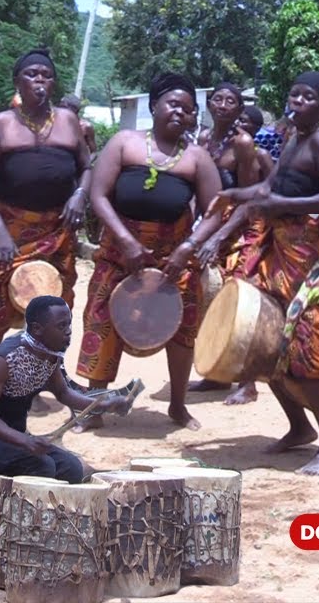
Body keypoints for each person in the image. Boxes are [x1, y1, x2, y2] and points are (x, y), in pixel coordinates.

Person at [196, 72, 319, 476]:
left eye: (309, 97)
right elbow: (269, 188)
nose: (299, 101)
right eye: (295, 93)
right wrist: (234, 195)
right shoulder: (293, 138)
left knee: (307, 360)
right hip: (280, 253)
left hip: (313, 260)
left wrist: (288, 205)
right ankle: (299, 428)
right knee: (266, 345)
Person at [75, 73, 223, 431]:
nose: (180, 112)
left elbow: (217, 209)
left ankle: (177, 405)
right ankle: (95, 405)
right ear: (154, 105)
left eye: (188, 109)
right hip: (119, 252)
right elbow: (98, 194)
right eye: (173, 104)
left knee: (183, 330)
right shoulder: (124, 143)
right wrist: (126, 242)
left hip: (175, 259)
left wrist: (188, 248)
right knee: (101, 322)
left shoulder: (197, 158)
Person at [0, 48, 91, 364]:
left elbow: (86, 168)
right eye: (31, 74)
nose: (39, 80)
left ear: (54, 83)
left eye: (46, 75)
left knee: (52, 312)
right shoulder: (1, 123)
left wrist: (80, 195)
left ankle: (36, 381)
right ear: (17, 82)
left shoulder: (68, 121)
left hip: (56, 231)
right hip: (7, 228)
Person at [0, 296, 125, 482]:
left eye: (69, 325)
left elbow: (63, 393)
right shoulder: (5, 359)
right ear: (37, 329)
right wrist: (25, 440)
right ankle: (25, 511)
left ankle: (52, 511)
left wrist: (105, 406)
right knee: (43, 466)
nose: (68, 332)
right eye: (61, 326)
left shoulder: (49, 355)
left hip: (11, 444)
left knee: (71, 468)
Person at [185, 90, 273, 403]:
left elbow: (249, 197)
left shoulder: (243, 144)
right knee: (208, 299)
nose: (223, 105)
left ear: (239, 109)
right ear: (209, 104)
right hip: (212, 227)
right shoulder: (203, 139)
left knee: (241, 300)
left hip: (243, 227)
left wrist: (221, 236)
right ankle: (217, 373)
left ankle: (248, 382)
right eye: (218, 100)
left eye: (230, 101)